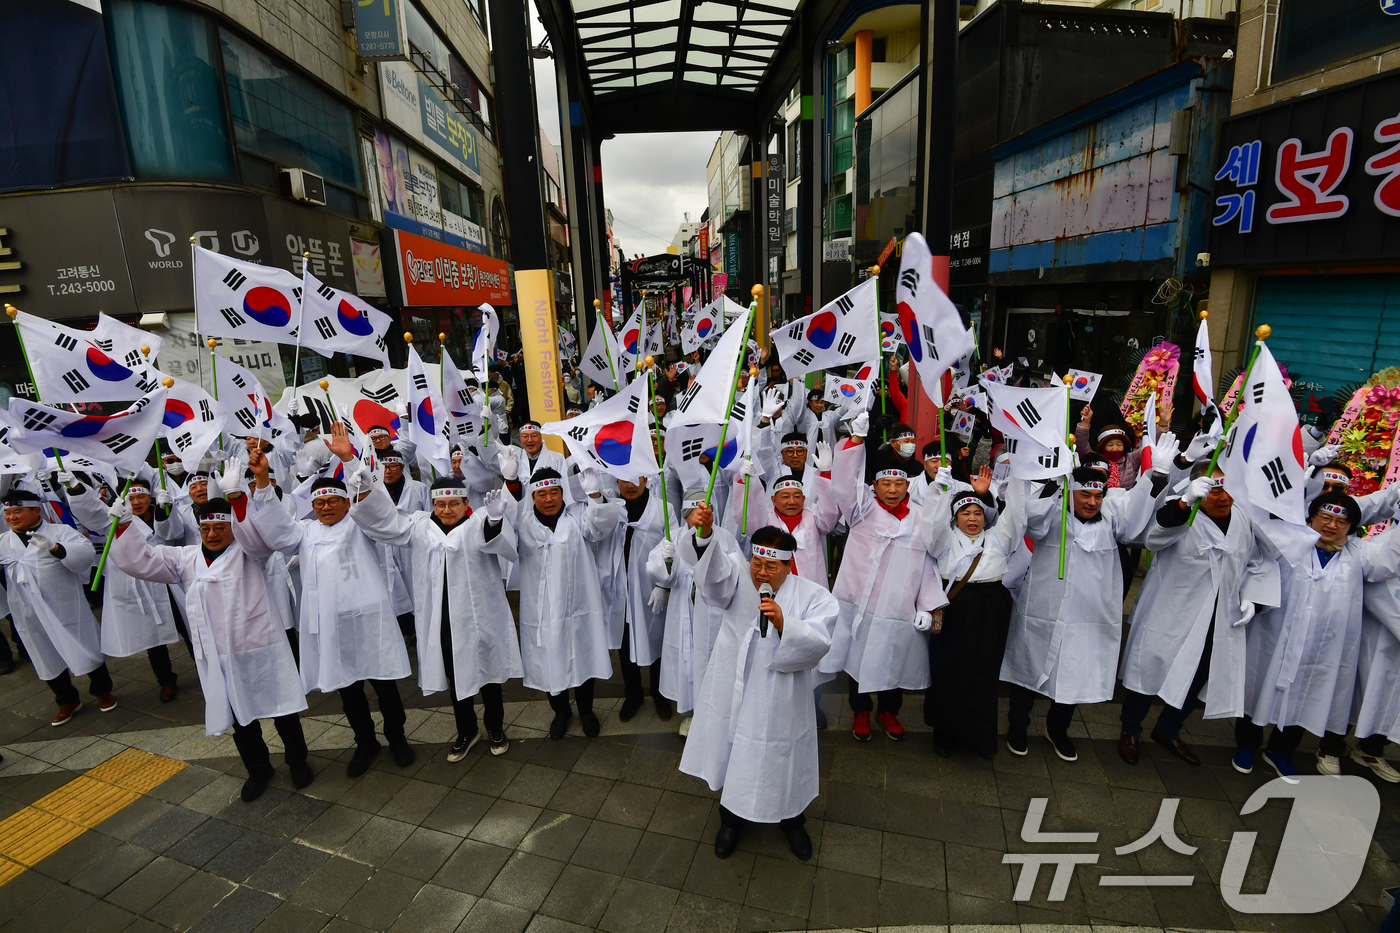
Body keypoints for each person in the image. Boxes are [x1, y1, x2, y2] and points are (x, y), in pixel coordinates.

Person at [112, 489, 311, 801]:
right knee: (239, 717)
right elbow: (143, 561)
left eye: (221, 527)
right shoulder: (186, 559)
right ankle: (258, 768)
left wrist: (237, 498)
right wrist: (125, 526)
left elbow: (259, 540)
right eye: (205, 528)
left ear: (234, 528)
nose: (212, 534)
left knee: (282, 708)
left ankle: (297, 760)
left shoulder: (250, 553)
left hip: (259, 647)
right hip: (216, 656)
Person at [242, 430, 416, 776]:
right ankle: (365, 742)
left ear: (346, 503)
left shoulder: (360, 523)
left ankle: (397, 738)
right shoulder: (304, 534)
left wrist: (350, 459)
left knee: (386, 686)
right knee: (349, 691)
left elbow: (381, 515)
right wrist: (262, 480)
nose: (324, 507)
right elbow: (277, 531)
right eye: (318, 503)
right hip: (332, 625)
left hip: (369, 619)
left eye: (332, 501)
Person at [1001, 446, 1172, 762]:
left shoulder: (1111, 518)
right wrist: (1053, 484)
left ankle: (1058, 729)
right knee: (1028, 669)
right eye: (1085, 496)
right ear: (1071, 493)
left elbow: (1135, 522)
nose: (1092, 503)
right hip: (1045, 611)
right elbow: (1033, 522)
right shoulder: (1054, 514)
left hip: (1088, 617)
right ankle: (1017, 725)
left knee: (1073, 675)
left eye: (1098, 497)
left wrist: (1156, 477)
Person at [679, 522, 839, 860]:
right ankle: (731, 820)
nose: (761, 572)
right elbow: (712, 581)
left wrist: (785, 624)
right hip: (736, 689)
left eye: (771, 566)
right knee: (735, 753)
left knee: (786, 755)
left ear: (788, 565)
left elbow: (821, 641)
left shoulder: (812, 595)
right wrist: (705, 537)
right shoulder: (739, 582)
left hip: (783, 696)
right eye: (757, 563)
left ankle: (792, 819)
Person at [1115, 463, 1278, 767]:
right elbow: (1154, 537)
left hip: (1219, 616)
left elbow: (1258, 562)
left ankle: (1168, 729)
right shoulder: (1182, 514)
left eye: (1227, 488)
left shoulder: (1243, 519)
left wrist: (1253, 597)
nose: (1223, 496)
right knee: (1147, 668)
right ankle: (1131, 729)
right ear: (1197, 490)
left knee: (1199, 674)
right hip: (1172, 611)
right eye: (1213, 489)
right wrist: (1183, 503)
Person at [350, 473, 521, 760]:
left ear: (466, 503)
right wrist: (363, 486)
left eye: (454, 503)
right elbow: (384, 521)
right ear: (432, 505)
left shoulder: (478, 521)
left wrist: (494, 522)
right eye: (440, 504)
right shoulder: (420, 525)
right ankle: (467, 730)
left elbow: (504, 547)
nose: (446, 510)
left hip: (480, 616)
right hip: (441, 617)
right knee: (456, 677)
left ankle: (495, 727)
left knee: (490, 673)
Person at [1235, 491, 1400, 780]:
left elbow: (1390, 555)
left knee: (1308, 696)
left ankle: (1280, 751)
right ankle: (1247, 745)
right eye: (1325, 517)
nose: (1332, 525)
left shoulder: (1360, 554)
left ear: (1352, 527)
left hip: (1325, 649)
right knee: (1259, 686)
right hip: (1276, 638)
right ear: (1311, 517)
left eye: (1341, 521)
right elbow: (1257, 553)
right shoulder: (1289, 544)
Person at [820, 412, 945, 742]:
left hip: (899, 607)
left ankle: (889, 710)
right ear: (874, 485)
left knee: (894, 660)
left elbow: (931, 562)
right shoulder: (861, 509)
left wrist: (927, 606)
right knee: (856, 659)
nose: (892, 490)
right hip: (858, 603)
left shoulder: (921, 518)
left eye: (899, 483)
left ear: (908, 486)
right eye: (885, 483)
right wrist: (856, 442)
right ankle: (860, 710)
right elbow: (844, 486)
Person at [504, 465, 615, 739]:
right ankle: (561, 711)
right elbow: (501, 543)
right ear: (533, 498)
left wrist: (595, 496)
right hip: (542, 612)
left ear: (562, 493)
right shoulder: (524, 525)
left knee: (584, 658)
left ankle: (587, 710)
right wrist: (510, 486)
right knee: (549, 661)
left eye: (554, 492)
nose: (549, 499)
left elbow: (600, 529)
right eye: (542, 494)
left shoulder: (577, 516)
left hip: (579, 606)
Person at [922, 470, 1026, 757]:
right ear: (954, 518)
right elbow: (931, 526)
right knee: (948, 671)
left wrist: (1019, 476)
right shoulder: (945, 540)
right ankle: (945, 735)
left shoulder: (997, 539)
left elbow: (1016, 515)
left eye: (977, 513)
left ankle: (980, 737)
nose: (972, 519)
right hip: (956, 607)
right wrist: (940, 490)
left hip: (991, 606)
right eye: (964, 513)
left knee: (984, 674)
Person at [62, 474, 185, 702]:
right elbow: (92, 512)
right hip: (144, 583)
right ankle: (166, 680)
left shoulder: (163, 510)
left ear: (150, 496)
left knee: (189, 626)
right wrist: (77, 489)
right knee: (154, 637)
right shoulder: (115, 517)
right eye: (132, 497)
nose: (136, 502)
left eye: (141, 496)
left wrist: (166, 510)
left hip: (171, 580)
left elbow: (174, 534)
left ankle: (207, 667)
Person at [0, 489, 114, 724]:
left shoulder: (60, 532)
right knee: (43, 651)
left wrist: (56, 549)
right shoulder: (3, 542)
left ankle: (102, 691)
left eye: (17, 511)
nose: (11, 517)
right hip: (27, 609)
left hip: (65, 606)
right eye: (7, 512)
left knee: (85, 644)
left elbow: (84, 555)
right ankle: (66, 699)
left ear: (35, 511)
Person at [595, 475, 672, 722]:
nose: (629, 485)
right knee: (625, 642)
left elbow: (672, 548)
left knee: (656, 639)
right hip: (620, 589)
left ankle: (659, 693)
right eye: (623, 480)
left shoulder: (663, 509)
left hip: (650, 590)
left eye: (634, 479)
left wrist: (663, 584)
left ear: (645, 478)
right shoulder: (612, 510)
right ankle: (633, 694)